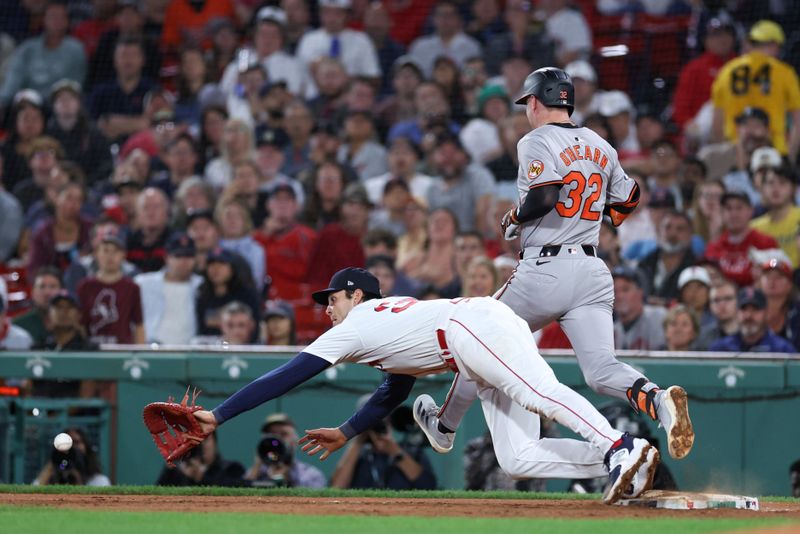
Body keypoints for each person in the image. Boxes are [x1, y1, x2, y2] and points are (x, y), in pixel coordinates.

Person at [412, 68, 693, 468]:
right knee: (601, 370)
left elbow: (545, 197)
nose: (527, 109)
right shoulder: (601, 144)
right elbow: (629, 199)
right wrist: (593, 213)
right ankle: (659, 401)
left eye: (527, 102)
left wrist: (513, 217)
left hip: (546, 267)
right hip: (593, 270)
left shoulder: (536, 139)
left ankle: (444, 425)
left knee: (476, 335)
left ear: (537, 102)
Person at [186, 267, 660, 504]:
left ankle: (618, 444)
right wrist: (348, 432)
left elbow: (288, 374)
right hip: (470, 341)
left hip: (470, 328)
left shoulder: (357, 322)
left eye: (332, 298)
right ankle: (619, 461)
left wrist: (218, 415)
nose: (326, 308)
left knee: (536, 390)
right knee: (517, 458)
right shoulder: (383, 324)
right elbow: (393, 390)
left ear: (356, 294)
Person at [711, 20, 800, 160]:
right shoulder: (784, 72)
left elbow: (717, 122)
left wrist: (725, 154)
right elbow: (798, 121)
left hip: (736, 149)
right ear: (774, 44)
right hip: (773, 150)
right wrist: (790, 156)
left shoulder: (726, 71)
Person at [0, 1, 86, 109]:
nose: (56, 21)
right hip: (28, 105)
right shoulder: (27, 48)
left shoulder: (76, 49)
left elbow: (75, 86)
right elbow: (12, 82)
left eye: (61, 17)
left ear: (67, 21)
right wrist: (2, 102)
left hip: (60, 106)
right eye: (52, 17)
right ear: (43, 20)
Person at [330, 403, 437, 490]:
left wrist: (395, 451)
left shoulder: (412, 452)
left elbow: (427, 485)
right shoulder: (360, 454)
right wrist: (358, 441)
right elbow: (336, 488)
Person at [77, 228, 145, 345]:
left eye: (115, 251)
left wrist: (140, 352)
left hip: (121, 350)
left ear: (123, 255)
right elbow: (80, 324)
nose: (110, 256)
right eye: (105, 250)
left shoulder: (132, 287)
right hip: (92, 350)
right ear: (96, 253)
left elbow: (138, 324)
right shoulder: (85, 286)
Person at [135, 233, 203, 345]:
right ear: (166, 257)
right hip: (151, 349)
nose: (184, 261)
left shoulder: (201, 285)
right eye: (178, 256)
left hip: (189, 352)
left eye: (188, 256)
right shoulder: (143, 283)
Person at [705, 190, 779, 287]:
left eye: (739, 208)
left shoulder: (766, 243)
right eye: (728, 208)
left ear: (750, 211)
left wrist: (766, 272)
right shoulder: (713, 248)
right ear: (722, 213)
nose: (734, 214)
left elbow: (777, 267)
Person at [244, 413, 326, 488]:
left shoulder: (311, 475)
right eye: (272, 434)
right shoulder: (256, 471)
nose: (277, 439)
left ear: (295, 441)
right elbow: (241, 492)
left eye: (283, 434)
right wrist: (257, 465)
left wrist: (288, 480)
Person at [709, 287, 796, 353]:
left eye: (755, 309)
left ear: (766, 313)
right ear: (736, 313)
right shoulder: (721, 348)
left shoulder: (782, 349)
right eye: (744, 309)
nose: (748, 315)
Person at [156, 431, 245, 487]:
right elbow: (157, 498)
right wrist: (170, 470)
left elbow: (235, 489)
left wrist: (201, 478)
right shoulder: (178, 471)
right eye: (196, 441)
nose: (201, 445)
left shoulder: (231, 469)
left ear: (215, 441)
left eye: (206, 439)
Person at [33, 427, 110, 486]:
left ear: (86, 446)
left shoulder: (99, 481)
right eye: (65, 444)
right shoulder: (50, 474)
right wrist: (52, 471)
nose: (71, 447)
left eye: (76, 442)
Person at [14, 266, 63, 347]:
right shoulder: (19, 326)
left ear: (62, 291)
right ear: (32, 292)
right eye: (41, 286)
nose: (47, 293)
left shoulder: (70, 326)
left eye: (53, 286)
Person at [696, 279, 740, 350]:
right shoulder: (703, 337)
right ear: (710, 305)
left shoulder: (749, 335)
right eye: (716, 300)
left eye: (728, 298)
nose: (722, 305)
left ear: (738, 301)